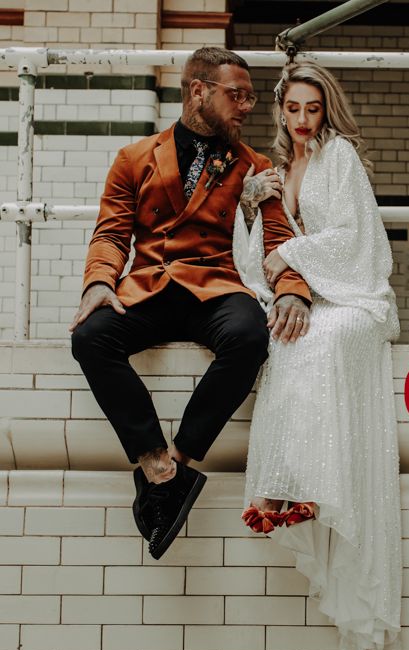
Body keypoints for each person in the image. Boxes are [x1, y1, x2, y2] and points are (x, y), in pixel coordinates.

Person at [69, 47, 311, 561]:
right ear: (198, 91)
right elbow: (111, 233)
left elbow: (277, 240)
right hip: (150, 286)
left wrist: (292, 289)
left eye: (251, 96)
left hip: (216, 287)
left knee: (250, 337)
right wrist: (98, 281)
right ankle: (154, 462)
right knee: (90, 337)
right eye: (236, 95)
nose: (247, 106)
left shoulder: (256, 165)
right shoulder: (134, 159)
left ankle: (177, 460)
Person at [235, 61, 401, 650]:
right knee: (288, 342)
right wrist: (256, 213)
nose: (303, 120)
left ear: (326, 108)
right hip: (307, 294)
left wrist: (289, 255)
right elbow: (255, 258)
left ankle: (319, 489)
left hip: (354, 296)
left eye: (313, 108)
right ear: (280, 111)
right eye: (294, 109)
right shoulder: (278, 171)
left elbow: (355, 240)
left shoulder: (340, 158)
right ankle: (282, 488)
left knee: (325, 340)